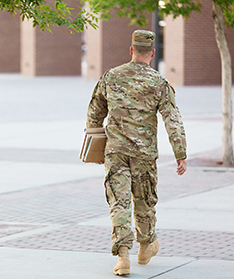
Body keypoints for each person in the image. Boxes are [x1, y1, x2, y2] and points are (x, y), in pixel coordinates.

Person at [85, 30, 187, 276]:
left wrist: (95, 149)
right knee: (144, 201)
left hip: (116, 152)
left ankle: (122, 258)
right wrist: (180, 153)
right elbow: (172, 120)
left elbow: (94, 113)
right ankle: (145, 245)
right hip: (144, 154)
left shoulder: (111, 77)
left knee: (119, 202)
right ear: (152, 53)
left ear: (131, 51)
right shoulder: (159, 83)